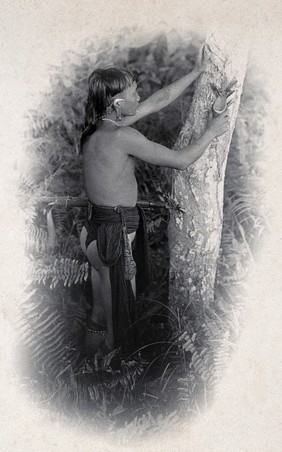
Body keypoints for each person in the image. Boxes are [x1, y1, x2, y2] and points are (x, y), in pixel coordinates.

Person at [80, 45, 230, 357]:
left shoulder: (99, 128)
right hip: (113, 240)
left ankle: (83, 374)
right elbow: (180, 160)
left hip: (92, 233)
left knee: (99, 315)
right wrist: (212, 132)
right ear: (118, 104)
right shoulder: (123, 137)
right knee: (118, 328)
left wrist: (196, 72)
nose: (140, 96)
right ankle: (106, 389)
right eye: (134, 92)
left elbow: (156, 101)